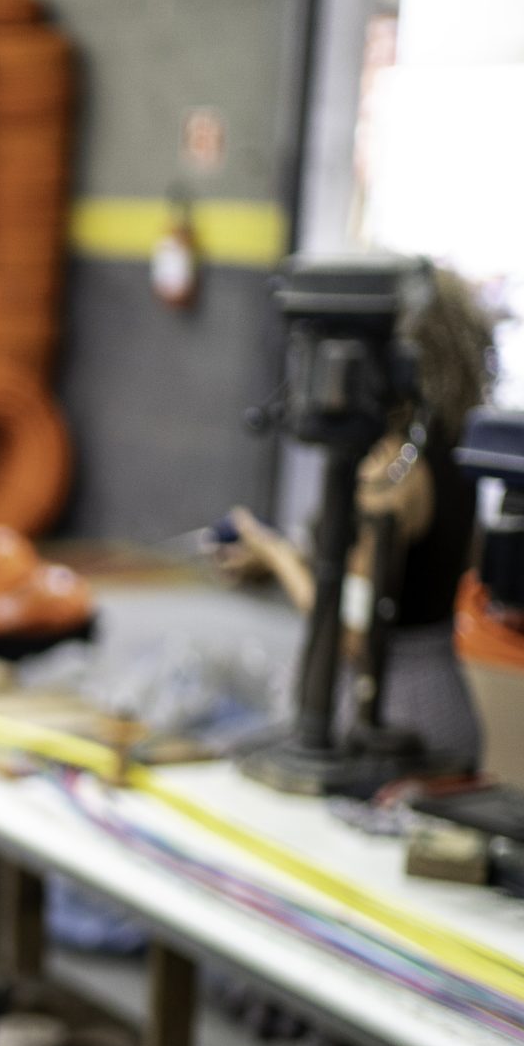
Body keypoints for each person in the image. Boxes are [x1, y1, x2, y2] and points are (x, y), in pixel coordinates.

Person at [214, 265, 495, 765]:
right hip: (440, 694)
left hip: (391, 712)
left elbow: (350, 633)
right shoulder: (450, 453)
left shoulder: (397, 470)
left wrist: (277, 556)